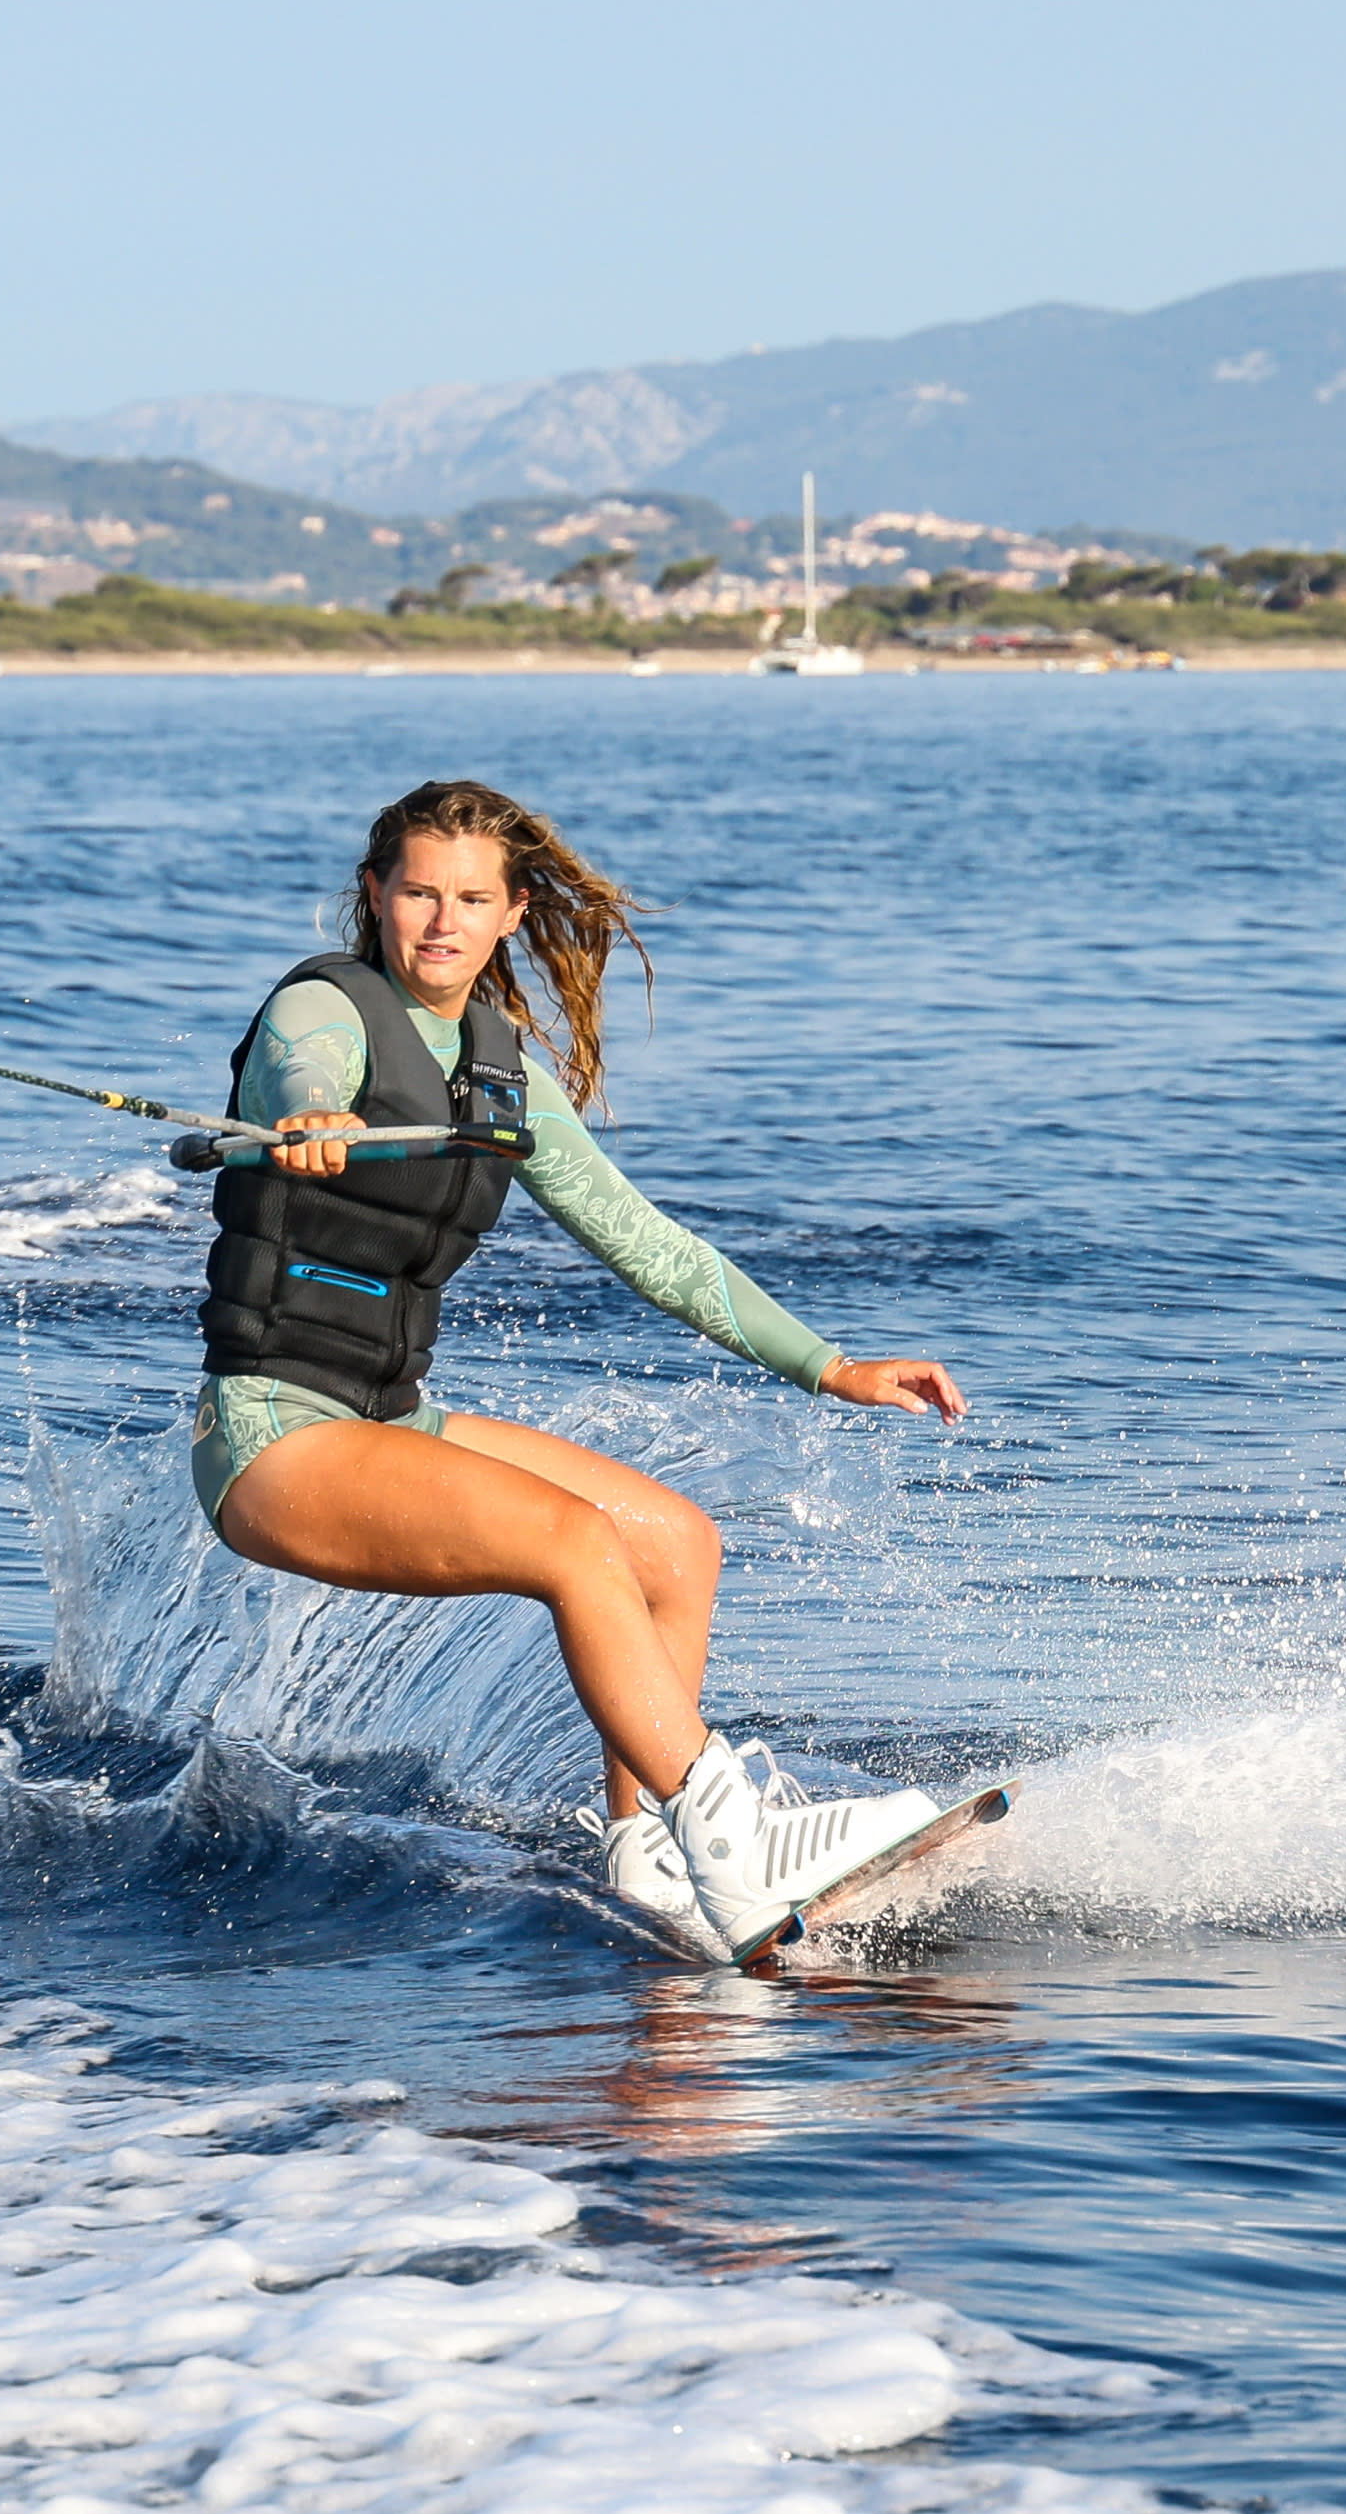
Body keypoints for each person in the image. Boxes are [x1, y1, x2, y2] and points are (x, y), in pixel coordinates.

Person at [196, 776, 970, 1952]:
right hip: (272, 1437)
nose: (440, 920)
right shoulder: (325, 1013)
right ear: (375, 895)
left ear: (510, 913)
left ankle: (652, 1863)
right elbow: (302, 1066)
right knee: (576, 1541)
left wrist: (831, 1366)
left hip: (388, 1419)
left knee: (673, 1541)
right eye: (416, 892)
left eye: (470, 898)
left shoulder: (502, 1075)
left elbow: (651, 1245)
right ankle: (731, 1841)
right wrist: (312, 1119)